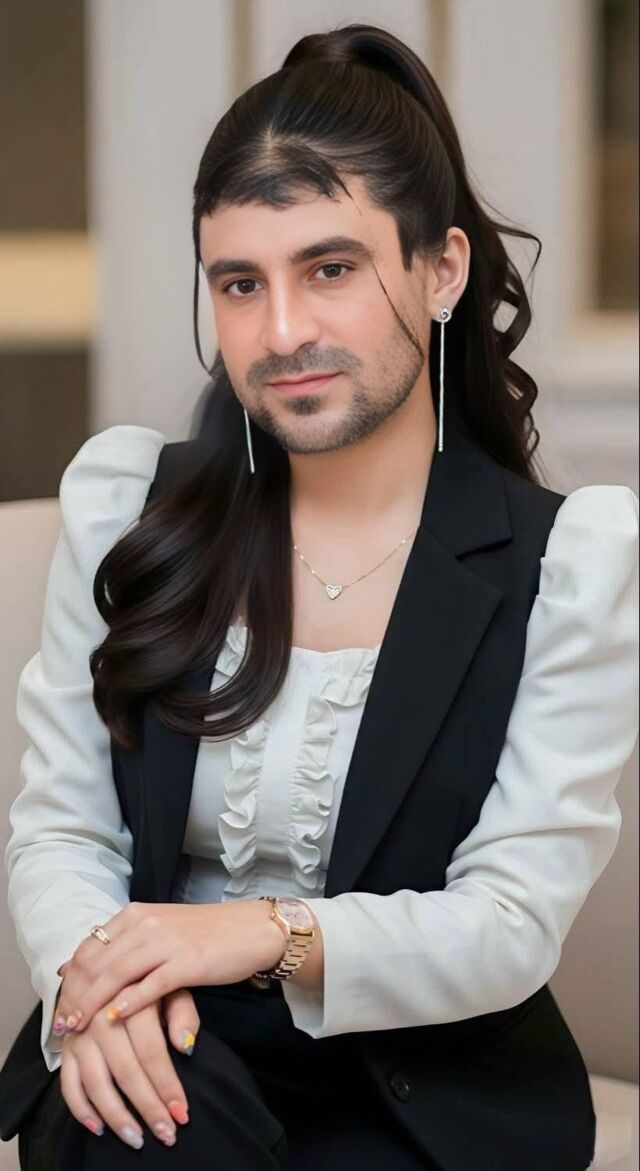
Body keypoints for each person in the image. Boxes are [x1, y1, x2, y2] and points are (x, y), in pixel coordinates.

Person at [1, 22, 638, 1171]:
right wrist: (93, 992)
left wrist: (256, 933)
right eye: (240, 283)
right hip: (168, 1044)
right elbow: (62, 827)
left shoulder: (567, 563)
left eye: (330, 269)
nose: (283, 330)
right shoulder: (127, 506)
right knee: (149, 1129)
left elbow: (509, 920)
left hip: (428, 1094)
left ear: (441, 271)